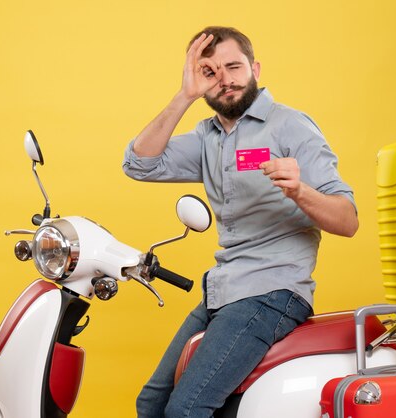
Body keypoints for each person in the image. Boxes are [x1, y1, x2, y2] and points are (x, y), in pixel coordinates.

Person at [122, 26, 358, 418]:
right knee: (152, 405)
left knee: (186, 410)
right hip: (223, 291)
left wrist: (300, 190)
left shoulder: (290, 126)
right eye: (210, 72)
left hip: (272, 292)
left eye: (234, 66)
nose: (225, 79)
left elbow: (348, 220)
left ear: (255, 68)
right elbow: (138, 164)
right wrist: (184, 95)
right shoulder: (208, 137)